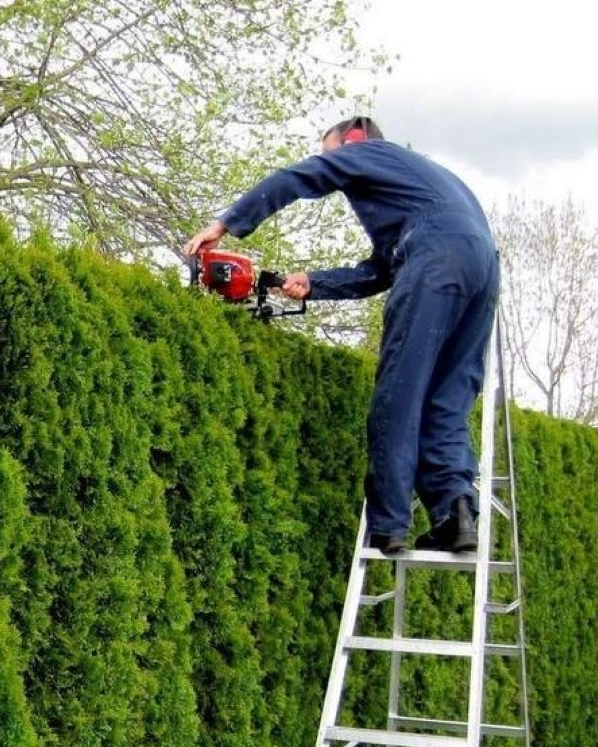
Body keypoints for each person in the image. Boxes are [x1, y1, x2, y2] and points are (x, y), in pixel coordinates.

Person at [183, 116, 500, 555]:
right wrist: (313, 283)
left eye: (333, 154)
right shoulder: (429, 183)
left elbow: (297, 177)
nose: (337, 170)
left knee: (400, 393)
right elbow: (379, 272)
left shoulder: (366, 152)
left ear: (352, 141)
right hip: (481, 267)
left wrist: (227, 224)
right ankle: (456, 513)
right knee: (446, 399)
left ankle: (389, 525)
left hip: (436, 260)